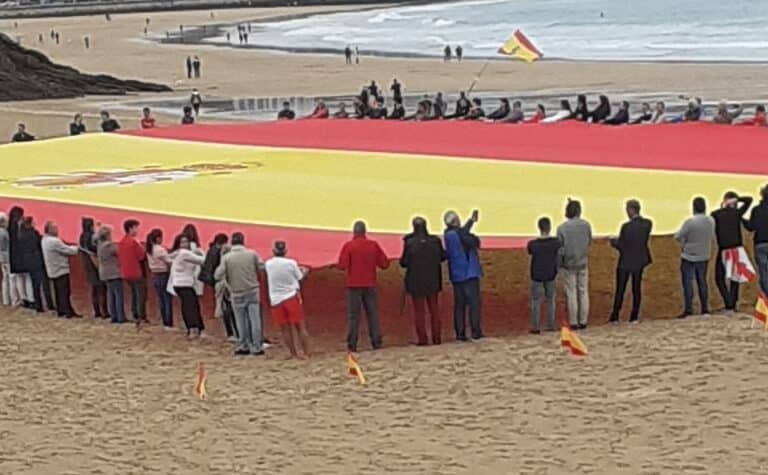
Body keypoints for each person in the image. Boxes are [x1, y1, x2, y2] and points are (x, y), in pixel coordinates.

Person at [337, 221, 389, 352]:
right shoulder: (373, 245)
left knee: (354, 315)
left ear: (354, 232)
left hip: (354, 284)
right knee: (373, 314)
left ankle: (352, 343)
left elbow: (342, 265)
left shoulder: (349, 246)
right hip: (370, 283)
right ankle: (376, 342)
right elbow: (384, 264)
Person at [214, 232, 265, 355]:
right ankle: (257, 346)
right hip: (252, 289)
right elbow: (262, 267)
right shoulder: (252, 254)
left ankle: (244, 345)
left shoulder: (227, 257)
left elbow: (217, 275)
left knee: (240, 320)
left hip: (236, 292)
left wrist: (222, 258)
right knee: (255, 319)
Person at [400, 217, 446, 346]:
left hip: (416, 281)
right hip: (433, 280)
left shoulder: (410, 243)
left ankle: (423, 339)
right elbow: (443, 257)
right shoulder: (435, 241)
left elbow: (404, 262)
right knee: (434, 310)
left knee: (419, 311)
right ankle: (437, 338)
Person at [609, 199, 653, 324]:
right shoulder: (647, 224)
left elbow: (622, 245)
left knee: (621, 289)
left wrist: (613, 242)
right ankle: (634, 316)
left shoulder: (626, 227)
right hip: (639, 260)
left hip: (626, 261)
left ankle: (615, 316)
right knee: (636, 288)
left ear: (630, 210)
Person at [266, 241, 311, 359]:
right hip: (291, 296)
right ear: (285, 251)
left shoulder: (269, 264)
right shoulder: (291, 263)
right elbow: (300, 277)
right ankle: (305, 353)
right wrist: (305, 271)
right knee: (300, 326)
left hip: (276, 299)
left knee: (284, 328)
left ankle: (293, 353)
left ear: (273, 250)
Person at [444, 210, 483, 341]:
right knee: (474, 304)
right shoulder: (461, 234)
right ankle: (475, 331)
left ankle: (460, 333)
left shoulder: (448, 234)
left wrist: (471, 221)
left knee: (459, 305)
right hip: (469, 273)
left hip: (456, 274)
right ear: (455, 222)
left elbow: (461, 232)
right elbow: (474, 241)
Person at [711, 191, 752, 313]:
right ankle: (732, 303)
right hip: (735, 249)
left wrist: (730, 201)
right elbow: (748, 200)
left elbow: (749, 200)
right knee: (735, 277)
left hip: (725, 248)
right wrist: (737, 199)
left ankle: (729, 303)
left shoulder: (716, 214)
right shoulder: (736, 213)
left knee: (719, 277)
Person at [675, 197, 714, 318]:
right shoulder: (711, 221)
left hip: (689, 255)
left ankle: (689, 308)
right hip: (704, 254)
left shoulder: (690, 222)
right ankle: (705, 308)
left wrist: (684, 242)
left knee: (688, 283)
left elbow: (678, 236)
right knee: (702, 281)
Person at [557, 199, 592, 330]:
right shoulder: (586, 225)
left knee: (571, 293)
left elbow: (560, 248)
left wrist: (560, 263)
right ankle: (583, 320)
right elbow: (589, 242)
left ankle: (573, 321)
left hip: (568, 263)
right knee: (583, 291)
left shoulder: (562, 228)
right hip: (582, 261)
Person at [527, 217, 561, 334]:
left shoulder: (533, 244)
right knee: (551, 299)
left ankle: (536, 326)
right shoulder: (555, 243)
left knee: (536, 300)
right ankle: (550, 325)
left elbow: (530, 251)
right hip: (550, 273)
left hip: (537, 274)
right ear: (549, 227)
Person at [170, 234, 206, 338]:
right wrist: (201, 253)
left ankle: (193, 329)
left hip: (180, 283)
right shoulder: (184, 253)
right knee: (191, 307)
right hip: (184, 283)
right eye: (182, 242)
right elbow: (202, 261)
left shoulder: (178, 253)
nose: (185, 244)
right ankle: (194, 329)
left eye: (186, 242)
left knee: (189, 306)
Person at [41, 221, 79, 318]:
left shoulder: (44, 240)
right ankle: (67, 311)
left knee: (58, 291)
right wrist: (77, 247)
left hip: (52, 269)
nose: (57, 230)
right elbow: (69, 251)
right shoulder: (54, 241)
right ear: (50, 230)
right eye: (55, 228)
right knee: (64, 291)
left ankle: (61, 310)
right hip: (60, 269)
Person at [18, 217, 55, 314]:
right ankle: (49, 304)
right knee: (43, 283)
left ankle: (39, 305)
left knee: (35, 284)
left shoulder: (21, 234)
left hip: (28, 262)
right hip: (37, 261)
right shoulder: (33, 234)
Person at [118, 219, 147, 324]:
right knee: (140, 295)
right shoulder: (133, 241)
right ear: (131, 228)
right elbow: (141, 256)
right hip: (136, 271)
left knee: (134, 294)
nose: (138, 230)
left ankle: (135, 313)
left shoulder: (122, 241)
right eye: (136, 227)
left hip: (126, 272)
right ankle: (141, 316)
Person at [79, 217, 108, 319]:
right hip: (95, 265)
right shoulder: (90, 237)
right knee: (101, 289)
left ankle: (97, 311)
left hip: (87, 265)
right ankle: (105, 311)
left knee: (94, 289)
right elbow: (95, 250)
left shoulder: (82, 236)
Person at [97, 226, 125, 324]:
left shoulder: (100, 245)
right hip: (113, 272)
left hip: (105, 273)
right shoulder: (109, 246)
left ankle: (114, 316)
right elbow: (119, 252)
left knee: (111, 295)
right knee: (118, 295)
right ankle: (120, 317)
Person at [146, 228, 173, 329]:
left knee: (161, 299)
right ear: (158, 238)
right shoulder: (160, 250)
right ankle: (168, 322)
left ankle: (165, 322)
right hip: (163, 274)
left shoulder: (150, 249)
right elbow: (169, 261)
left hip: (155, 275)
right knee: (167, 299)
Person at [7, 206, 32, 308]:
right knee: (26, 277)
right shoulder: (18, 228)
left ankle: (22, 298)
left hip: (13, 256)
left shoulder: (9, 227)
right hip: (20, 256)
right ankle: (28, 298)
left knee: (18, 278)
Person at [746, 186, 768, 296]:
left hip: (760, 243)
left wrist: (740, 219)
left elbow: (751, 227)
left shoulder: (757, 210)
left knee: (764, 272)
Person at [0, 213, 8, 306]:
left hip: (2, 256)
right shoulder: (3, 232)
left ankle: (6, 299)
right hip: (5, 257)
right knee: (6, 278)